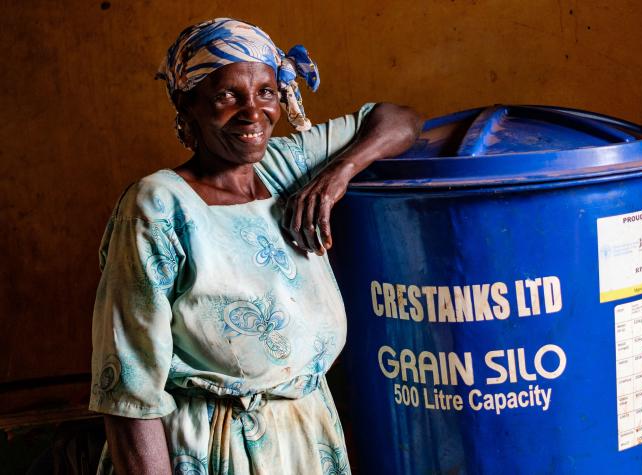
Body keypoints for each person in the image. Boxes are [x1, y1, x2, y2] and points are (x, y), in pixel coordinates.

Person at [89, 18, 421, 474]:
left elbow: (400, 120)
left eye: (266, 92)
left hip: (305, 438)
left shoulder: (282, 169)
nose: (252, 112)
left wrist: (335, 177)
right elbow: (129, 385)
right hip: (213, 450)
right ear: (189, 106)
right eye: (227, 95)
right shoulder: (157, 207)